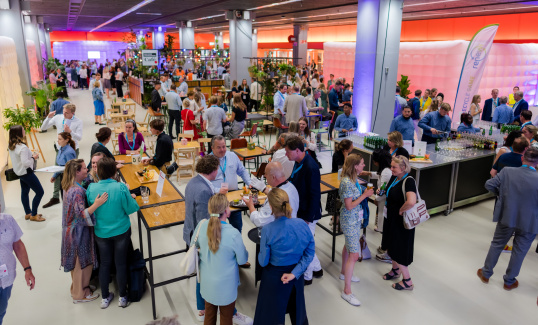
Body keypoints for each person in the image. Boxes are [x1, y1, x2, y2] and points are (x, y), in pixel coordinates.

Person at [478, 147, 538, 291]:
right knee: (520, 251)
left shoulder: (507, 172)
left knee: (497, 243)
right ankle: (509, 281)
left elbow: (489, 184)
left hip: (507, 215)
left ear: (523, 158)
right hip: (530, 221)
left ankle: (486, 273)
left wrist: (503, 195)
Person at [252, 188, 315, 325]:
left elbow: (263, 262)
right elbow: (310, 253)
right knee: (297, 312)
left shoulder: (268, 229)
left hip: (274, 278)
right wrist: (294, 273)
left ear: (271, 207)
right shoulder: (302, 225)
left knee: (270, 316)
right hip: (295, 278)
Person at [86, 157, 139, 309]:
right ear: (114, 171)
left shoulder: (91, 189)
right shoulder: (120, 188)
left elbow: (91, 207)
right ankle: (123, 296)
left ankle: (104, 297)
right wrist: (131, 197)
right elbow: (131, 209)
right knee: (120, 263)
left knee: (105, 263)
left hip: (101, 233)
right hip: (121, 230)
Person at [193, 194, 249, 325]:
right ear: (226, 211)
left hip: (207, 285)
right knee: (226, 318)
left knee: (209, 317)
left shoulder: (201, 226)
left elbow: (193, 246)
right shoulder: (233, 233)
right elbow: (242, 260)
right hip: (227, 288)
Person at [60, 159, 108, 304]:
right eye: (83, 168)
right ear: (76, 172)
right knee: (82, 263)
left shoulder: (68, 186)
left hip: (70, 231)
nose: (87, 170)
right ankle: (79, 295)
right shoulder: (77, 191)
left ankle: (78, 287)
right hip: (78, 233)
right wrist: (97, 204)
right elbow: (81, 214)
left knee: (76, 263)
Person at [284, 136, 323, 285]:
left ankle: (307, 277)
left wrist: (307, 218)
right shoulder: (298, 161)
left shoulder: (311, 167)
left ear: (298, 150)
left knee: (305, 246)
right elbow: (293, 178)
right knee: (309, 241)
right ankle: (317, 269)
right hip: (302, 209)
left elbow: (315, 195)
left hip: (309, 213)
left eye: (288, 152)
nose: (286, 155)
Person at [338, 154, 374, 306]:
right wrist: (365, 195)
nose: (364, 166)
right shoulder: (347, 182)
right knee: (354, 254)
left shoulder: (352, 178)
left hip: (354, 219)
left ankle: (343, 273)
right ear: (355, 166)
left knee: (348, 245)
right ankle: (347, 291)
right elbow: (349, 205)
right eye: (362, 164)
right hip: (350, 219)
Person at [381, 156, 418, 291]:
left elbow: (411, 201)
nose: (391, 169)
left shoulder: (408, 181)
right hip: (391, 219)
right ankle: (395, 270)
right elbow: (389, 191)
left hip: (401, 223)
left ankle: (407, 281)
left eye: (394, 167)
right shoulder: (395, 177)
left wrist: (401, 210)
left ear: (403, 168)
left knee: (399, 249)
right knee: (391, 246)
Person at [210, 136, 251, 235]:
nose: (222, 150)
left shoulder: (232, 156)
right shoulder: (208, 161)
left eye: (224, 146)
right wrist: (217, 190)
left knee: (237, 227)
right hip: (216, 198)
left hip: (234, 198)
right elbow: (205, 183)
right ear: (212, 148)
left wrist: (249, 183)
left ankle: (235, 246)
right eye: (219, 147)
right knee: (217, 228)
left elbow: (242, 171)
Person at [0, 213, 36, 323]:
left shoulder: (8, 219)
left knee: (1, 311)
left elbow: (17, 244)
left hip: (6, 279)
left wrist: (27, 269)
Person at [7, 126, 44, 222]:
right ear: (19, 133)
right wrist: (34, 157)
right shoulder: (22, 148)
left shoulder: (11, 146)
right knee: (40, 192)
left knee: (24, 192)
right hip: (27, 173)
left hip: (20, 173)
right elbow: (26, 163)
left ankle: (28, 213)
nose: (24, 131)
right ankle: (34, 214)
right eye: (23, 130)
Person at [246, 162, 299, 227]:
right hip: (290, 227)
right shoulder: (292, 187)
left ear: (273, 177)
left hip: (277, 231)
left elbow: (260, 221)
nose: (265, 176)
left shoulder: (273, 202)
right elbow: (280, 194)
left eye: (266, 174)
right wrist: (264, 189)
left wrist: (251, 207)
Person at [363, 149, 393, 233]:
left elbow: (383, 191)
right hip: (382, 201)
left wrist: (376, 199)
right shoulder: (385, 170)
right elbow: (379, 174)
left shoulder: (386, 172)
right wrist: (368, 173)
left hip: (384, 201)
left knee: (383, 220)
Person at [44, 132, 76, 207]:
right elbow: (59, 165)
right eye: (58, 139)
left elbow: (71, 168)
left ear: (67, 140)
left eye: (60, 139)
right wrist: (55, 175)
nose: (58, 141)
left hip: (68, 178)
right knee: (64, 199)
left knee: (68, 200)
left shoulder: (69, 152)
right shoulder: (60, 149)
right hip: (62, 176)